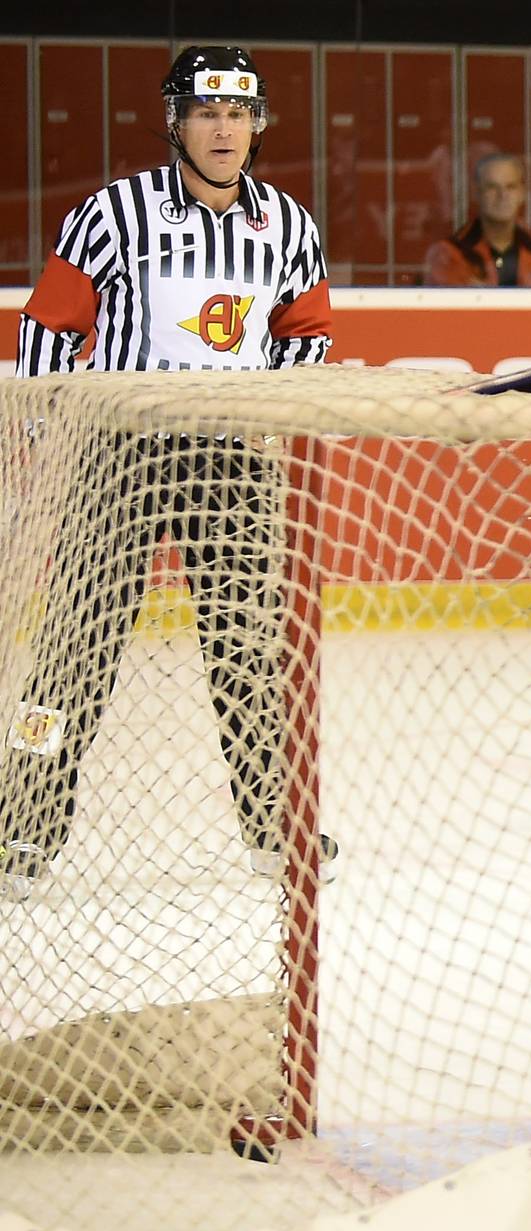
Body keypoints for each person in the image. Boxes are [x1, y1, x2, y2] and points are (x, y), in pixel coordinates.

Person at [7, 46, 337, 900]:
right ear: (175, 122)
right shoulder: (114, 213)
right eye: (205, 112)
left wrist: (277, 411)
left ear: (257, 124)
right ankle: (22, 834)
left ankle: (276, 830)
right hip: (119, 450)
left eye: (237, 114)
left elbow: (306, 335)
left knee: (249, 650)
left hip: (230, 454)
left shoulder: (290, 227)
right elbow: (47, 329)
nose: (223, 129)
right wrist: (54, 435)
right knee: (73, 650)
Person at [424, 152, 531, 287]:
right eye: (492, 187)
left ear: (522, 193)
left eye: (510, 187)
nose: (502, 196)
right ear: (476, 193)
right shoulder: (449, 255)